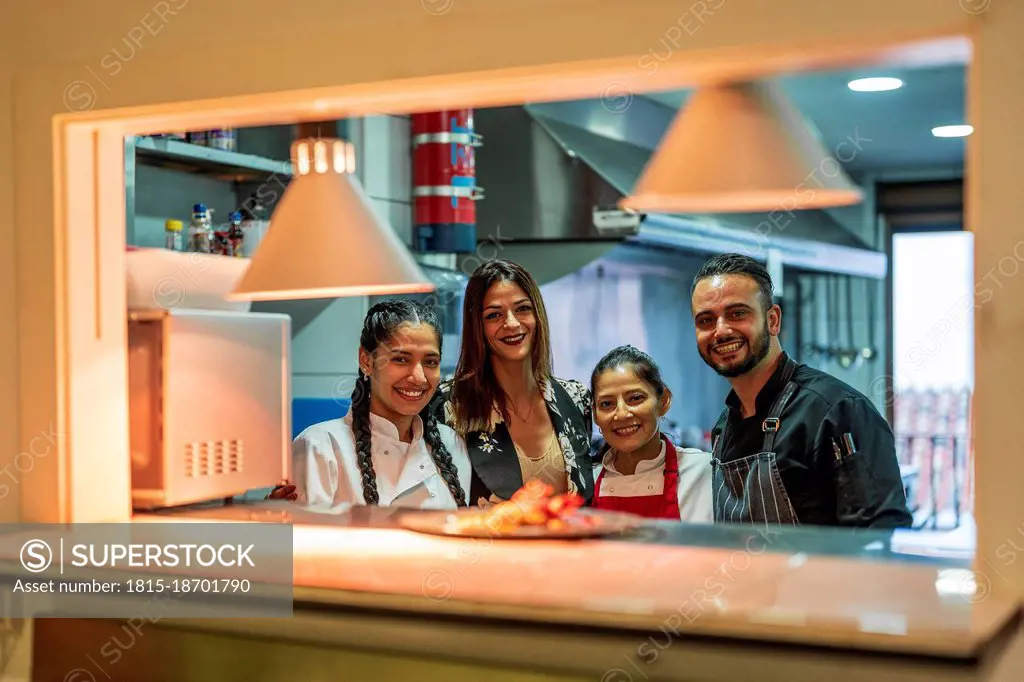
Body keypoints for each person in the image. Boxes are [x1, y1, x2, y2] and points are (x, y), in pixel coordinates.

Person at [690, 253, 912, 529]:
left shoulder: (837, 411)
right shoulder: (724, 427)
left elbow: (880, 537)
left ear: (773, 320)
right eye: (706, 320)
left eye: (737, 314)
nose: (720, 331)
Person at [271, 300, 471, 510]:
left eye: (430, 362)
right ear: (366, 361)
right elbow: (294, 541)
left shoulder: (452, 444)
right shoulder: (320, 446)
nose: (419, 378)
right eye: (401, 359)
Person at [432, 259, 595, 506]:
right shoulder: (448, 405)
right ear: (478, 326)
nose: (511, 323)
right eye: (494, 315)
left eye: (522, 309)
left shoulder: (575, 397)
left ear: (537, 314)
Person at [590, 345, 713, 522]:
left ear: (663, 401)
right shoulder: (588, 481)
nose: (622, 413)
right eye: (607, 404)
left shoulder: (703, 471)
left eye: (635, 398)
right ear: (595, 414)